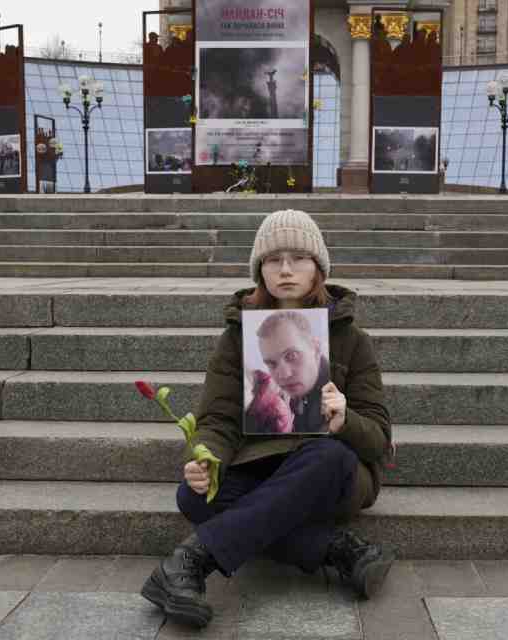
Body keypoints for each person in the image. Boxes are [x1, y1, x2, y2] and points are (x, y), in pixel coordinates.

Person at [141, 209, 394, 628]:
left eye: (299, 258)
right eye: (274, 260)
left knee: (326, 456)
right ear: (260, 270)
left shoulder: (352, 339)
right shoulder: (238, 336)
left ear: (319, 268)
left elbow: (378, 441)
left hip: (333, 474)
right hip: (261, 467)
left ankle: (192, 560)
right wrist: (207, 459)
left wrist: (345, 420)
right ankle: (341, 551)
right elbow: (218, 418)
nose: (286, 269)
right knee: (193, 496)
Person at [244, 310, 329, 435]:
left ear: (315, 349)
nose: (284, 375)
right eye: (272, 364)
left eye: (292, 356)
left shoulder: (340, 389)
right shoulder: (289, 402)